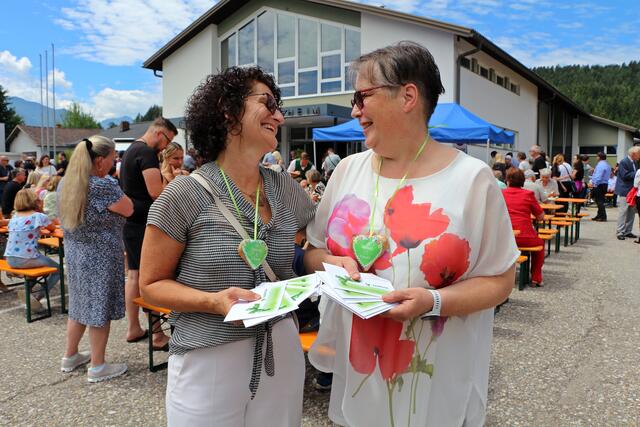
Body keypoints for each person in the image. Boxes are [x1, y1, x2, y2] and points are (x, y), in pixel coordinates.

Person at [303, 42, 518, 427]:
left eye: (362, 97)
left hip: (433, 383)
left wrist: (433, 301)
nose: (355, 110)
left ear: (408, 96)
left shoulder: (471, 179)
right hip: (360, 377)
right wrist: (334, 262)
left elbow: (501, 280)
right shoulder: (347, 170)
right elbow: (313, 252)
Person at [139, 66, 316, 426]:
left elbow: (312, 247)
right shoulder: (183, 194)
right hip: (209, 359)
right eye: (268, 103)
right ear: (227, 110)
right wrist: (213, 301)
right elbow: (151, 285)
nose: (279, 117)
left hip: (281, 349)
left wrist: (333, 261)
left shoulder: (285, 188)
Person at [59, 136, 134, 382]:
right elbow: (129, 208)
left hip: (76, 254)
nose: (114, 163)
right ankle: (98, 366)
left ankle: (70, 356)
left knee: (79, 305)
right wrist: (113, 182)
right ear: (100, 160)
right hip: (100, 255)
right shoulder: (103, 186)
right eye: (113, 158)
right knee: (99, 310)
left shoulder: (66, 183)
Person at [120, 117, 176, 349]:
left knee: (134, 276)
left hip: (131, 221)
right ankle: (157, 335)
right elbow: (155, 192)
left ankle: (134, 327)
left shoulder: (131, 150)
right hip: (144, 222)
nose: (166, 147)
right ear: (159, 134)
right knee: (150, 278)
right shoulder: (146, 152)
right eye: (167, 141)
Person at [5, 189, 60, 310]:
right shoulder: (38, 216)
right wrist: (41, 210)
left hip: (10, 258)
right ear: (34, 201)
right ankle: (37, 297)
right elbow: (52, 228)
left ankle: (28, 291)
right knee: (58, 270)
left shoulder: (14, 216)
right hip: (26, 259)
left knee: (39, 263)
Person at [502, 168, 545, 286]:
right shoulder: (528, 194)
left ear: (507, 180)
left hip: (505, 237)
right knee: (540, 244)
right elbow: (540, 216)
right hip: (524, 236)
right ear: (522, 181)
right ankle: (536, 277)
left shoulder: (501, 193)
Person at [614, 146, 640, 240]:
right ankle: (620, 232)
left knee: (632, 212)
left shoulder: (635, 162)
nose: (639, 156)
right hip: (625, 190)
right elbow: (625, 175)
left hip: (633, 190)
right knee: (623, 211)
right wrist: (637, 174)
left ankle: (628, 231)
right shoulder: (624, 162)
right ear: (634, 154)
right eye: (639, 154)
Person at [590, 152, 611, 222]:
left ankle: (603, 216)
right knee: (600, 200)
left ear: (599, 157)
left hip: (599, 184)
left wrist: (594, 184)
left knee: (599, 201)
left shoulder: (601, 165)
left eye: (597, 156)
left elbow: (599, 176)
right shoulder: (607, 164)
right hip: (604, 184)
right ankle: (599, 215)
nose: (596, 158)